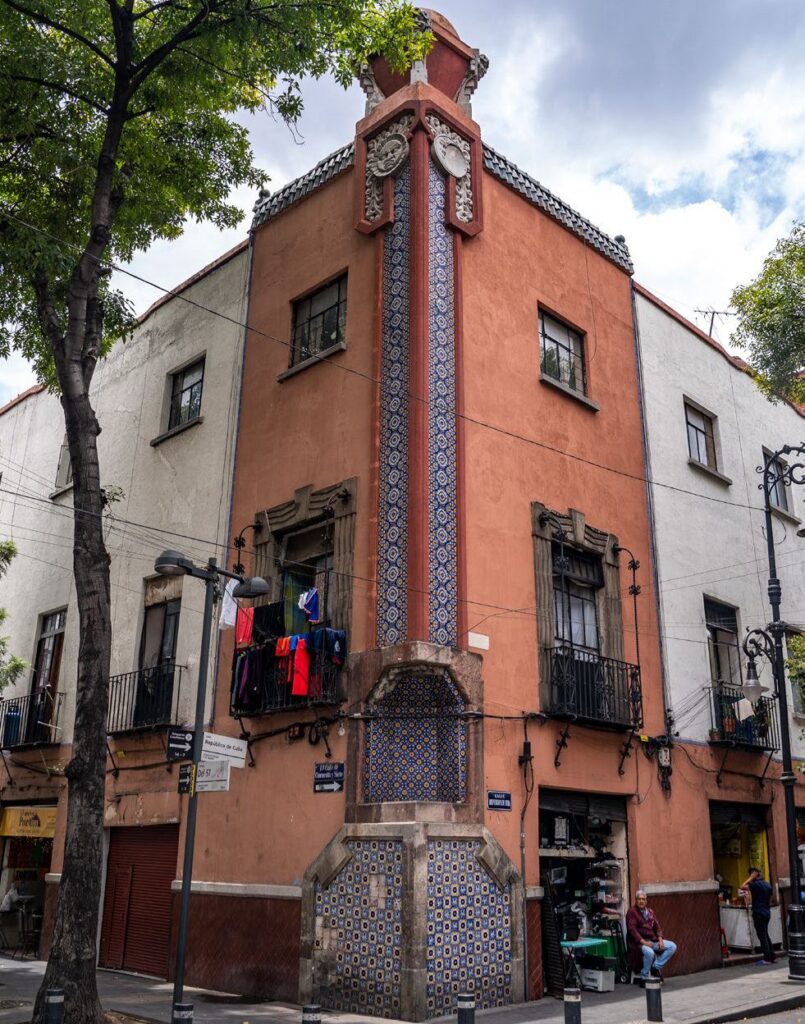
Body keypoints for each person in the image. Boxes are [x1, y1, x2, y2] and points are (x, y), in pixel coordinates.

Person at [626, 890, 678, 983]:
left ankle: (655, 967)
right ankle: (644, 976)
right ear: (636, 900)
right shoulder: (631, 912)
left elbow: (657, 927)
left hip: (653, 941)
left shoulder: (650, 911)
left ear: (646, 901)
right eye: (639, 899)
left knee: (672, 946)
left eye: (643, 899)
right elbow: (632, 930)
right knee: (650, 953)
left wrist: (660, 940)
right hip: (639, 944)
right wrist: (644, 942)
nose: (641, 901)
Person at [740, 866, 775, 964]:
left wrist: (751, 878)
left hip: (758, 912)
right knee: (766, 934)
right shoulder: (767, 884)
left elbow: (742, 886)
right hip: (767, 912)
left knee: (762, 935)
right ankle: (772, 956)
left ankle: (767, 959)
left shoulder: (755, 885)